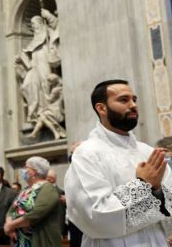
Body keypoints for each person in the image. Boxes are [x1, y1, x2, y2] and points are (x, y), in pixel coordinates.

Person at [65, 79, 172, 246]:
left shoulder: (147, 152)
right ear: (101, 108)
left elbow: (169, 205)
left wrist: (157, 190)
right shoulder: (86, 154)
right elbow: (94, 215)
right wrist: (143, 184)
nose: (133, 105)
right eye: (124, 100)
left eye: (134, 99)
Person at [4, 156, 60, 247]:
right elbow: (11, 210)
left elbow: (36, 214)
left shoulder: (48, 188)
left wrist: (11, 225)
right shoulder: (25, 190)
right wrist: (9, 226)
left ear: (33, 171)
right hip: (20, 240)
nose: (23, 170)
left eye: (26, 167)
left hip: (39, 240)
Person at [46, 169, 67, 239]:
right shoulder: (41, 192)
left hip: (57, 230)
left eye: (48, 178)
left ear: (52, 179)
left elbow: (61, 214)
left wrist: (60, 231)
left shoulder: (61, 193)